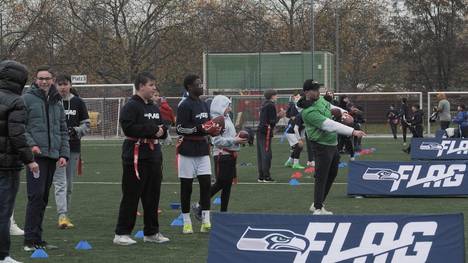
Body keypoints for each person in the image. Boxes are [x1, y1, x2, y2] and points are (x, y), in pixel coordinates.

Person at [113, 72, 169, 246]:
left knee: (152, 196)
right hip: (135, 157)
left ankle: (151, 232)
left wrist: (163, 131)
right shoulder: (131, 106)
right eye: (151, 85)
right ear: (141, 86)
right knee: (131, 195)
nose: (154, 88)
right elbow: (128, 128)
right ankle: (121, 233)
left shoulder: (153, 107)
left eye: (154, 85)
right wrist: (152, 129)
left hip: (153, 156)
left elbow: (162, 127)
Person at [300, 79, 366, 215]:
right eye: (314, 90)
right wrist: (353, 131)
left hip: (332, 144)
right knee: (321, 176)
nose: (318, 92)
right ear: (306, 92)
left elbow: (330, 107)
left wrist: (344, 112)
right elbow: (329, 125)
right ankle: (318, 209)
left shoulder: (320, 100)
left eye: (318, 89)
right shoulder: (308, 112)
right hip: (321, 145)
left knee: (332, 173)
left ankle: (318, 204)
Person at [22, 66, 70, 251]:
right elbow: (21, 127)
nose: (44, 81)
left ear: (53, 79)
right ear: (35, 80)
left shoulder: (57, 102)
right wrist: (31, 144)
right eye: (40, 78)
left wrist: (64, 154)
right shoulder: (27, 99)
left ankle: (38, 238)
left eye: (47, 78)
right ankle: (29, 240)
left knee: (43, 198)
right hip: (36, 157)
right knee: (35, 197)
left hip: (53, 157)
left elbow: (62, 130)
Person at [0, 60, 40, 263]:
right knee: (3, 212)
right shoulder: (17, 101)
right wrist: (29, 160)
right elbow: (16, 134)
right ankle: (2, 256)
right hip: (6, 166)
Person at [176, 74, 221, 234]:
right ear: (189, 87)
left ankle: (206, 221)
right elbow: (179, 129)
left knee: (205, 186)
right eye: (198, 84)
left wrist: (214, 131)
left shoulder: (203, 104)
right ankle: (186, 222)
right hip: (187, 151)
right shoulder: (184, 105)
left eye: (201, 83)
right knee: (186, 187)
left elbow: (208, 126)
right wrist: (199, 129)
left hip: (202, 150)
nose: (201, 86)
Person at [192, 95, 247, 218]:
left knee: (227, 186)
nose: (230, 108)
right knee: (220, 184)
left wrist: (238, 137)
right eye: (228, 105)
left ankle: (224, 213)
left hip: (230, 155)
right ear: (221, 106)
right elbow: (216, 141)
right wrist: (235, 140)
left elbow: (229, 135)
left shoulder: (227, 118)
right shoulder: (217, 120)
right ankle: (199, 204)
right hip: (222, 156)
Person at [52, 74, 90, 229]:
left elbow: (86, 126)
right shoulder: (51, 101)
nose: (62, 87)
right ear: (55, 85)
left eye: (65, 84)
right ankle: (61, 216)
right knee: (59, 183)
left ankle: (64, 215)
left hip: (73, 148)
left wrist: (75, 131)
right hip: (54, 148)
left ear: (70, 85)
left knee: (68, 185)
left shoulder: (78, 102)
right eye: (59, 84)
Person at [256, 89, 285, 182]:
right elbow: (272, 121)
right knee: (267, 154)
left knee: (261, 154)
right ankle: (266, 176)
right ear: (272, 96)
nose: (277, 96)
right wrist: (280, 116)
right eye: (276, 95)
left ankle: (261, 176)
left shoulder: (264, 104)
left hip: (260, 131)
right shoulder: (271, 105)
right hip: (266, 132)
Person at [284, 91, 305, 169]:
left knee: (298, 147)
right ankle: (295, 164)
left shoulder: (304, 110)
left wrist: (302, 137)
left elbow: (302, 127)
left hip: (294, 130)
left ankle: (289, 162)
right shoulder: (298, 111)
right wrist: (299, 139)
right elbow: (296, 127)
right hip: (291, 131)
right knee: (298, 146)